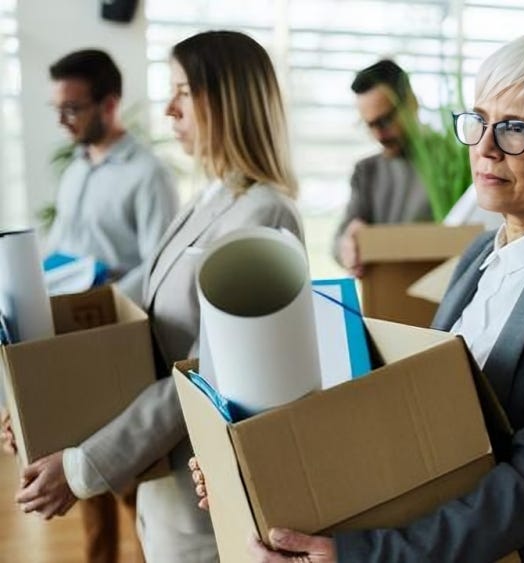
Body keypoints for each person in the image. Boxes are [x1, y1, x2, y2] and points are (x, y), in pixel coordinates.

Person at [195, 31, 524, 562]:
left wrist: (370, 554)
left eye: (514, 130)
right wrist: (250, 473)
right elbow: (413, 418)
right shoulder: (477, 255)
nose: (483, 147)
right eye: (479, 120)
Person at [10, 30, 304, 563]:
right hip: (162, 480)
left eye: (183, 92)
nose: (168, 109)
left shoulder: (263, 214)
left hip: (202, 495)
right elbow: (142, 334)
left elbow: (205, 371)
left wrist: (83, 466)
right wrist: (43, 413)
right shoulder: (207, 199)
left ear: (227, 99)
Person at [46, 49, 178, 304]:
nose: (61, 121)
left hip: (110, 319)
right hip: (63, 313)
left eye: (71, 109)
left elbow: (159, 264)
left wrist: (107, 305)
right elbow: (60, 243)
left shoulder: (149, 175)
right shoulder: (75, 169)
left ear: (109, 105)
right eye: (57, 109)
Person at [333, 59, 434, 277]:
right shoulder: (366, 171)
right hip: (384, 302)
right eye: (370, 125)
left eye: (385, 120)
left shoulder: (455, 164)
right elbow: (338, 242)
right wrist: (348, 244)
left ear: (411, 103)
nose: (379, 135)